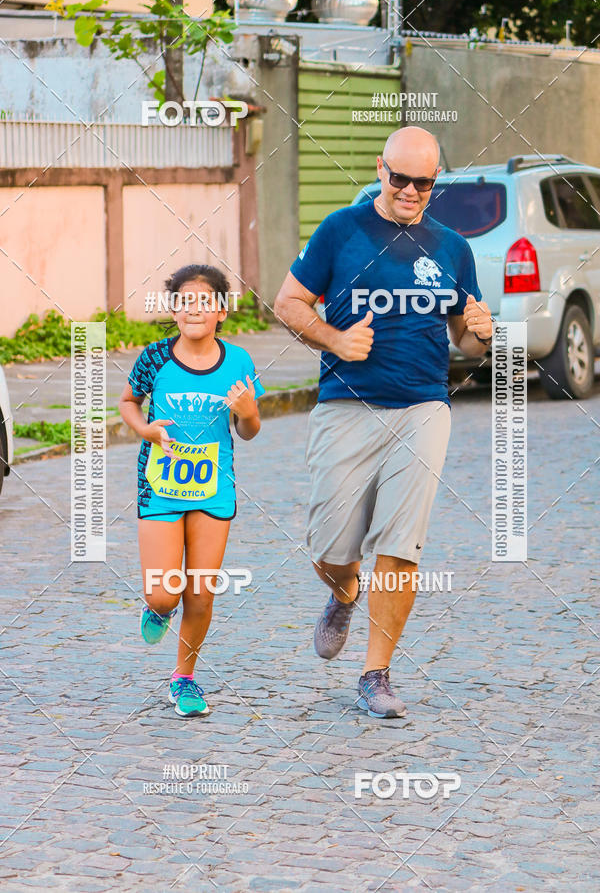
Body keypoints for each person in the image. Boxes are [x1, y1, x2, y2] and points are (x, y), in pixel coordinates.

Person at [274, 126, 493, 719]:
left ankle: (376, 675)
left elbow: (464, 343)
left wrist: (479, 336)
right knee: (330, 545)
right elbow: (287, 303)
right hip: (347, 404)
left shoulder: (452, 247)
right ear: (380, 169)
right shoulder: (340, 230)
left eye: (424, 182)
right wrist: (334, 339)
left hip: (424, 406)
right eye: (401, 178)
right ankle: (343, 591)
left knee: (400, 546)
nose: (411, 191)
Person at [119, 265, 264, 717]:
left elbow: (250, 431)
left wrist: (247, 410)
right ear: (174, 311)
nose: (194, 309)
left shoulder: (239, 362)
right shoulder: (155, 358)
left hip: (214, 488)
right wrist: (145, 430)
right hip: (159, 487)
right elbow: (128, 402)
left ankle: (184, 679)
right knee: (164, 592)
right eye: (184, 302)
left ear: (221, 311)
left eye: (204, 302)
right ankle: (158, 610)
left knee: (200, 593)